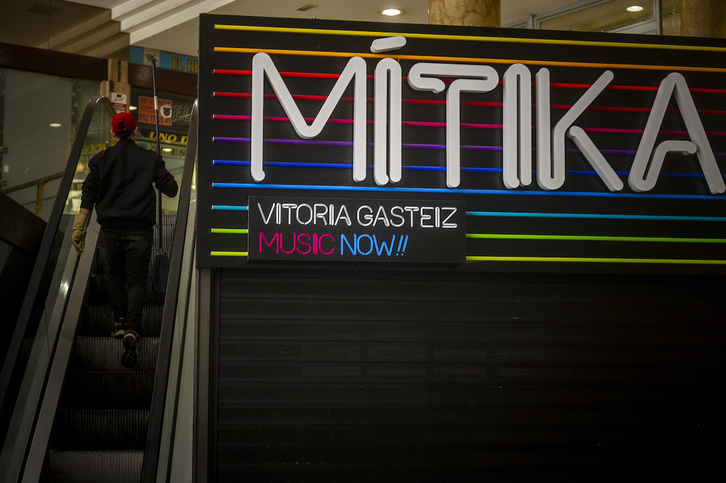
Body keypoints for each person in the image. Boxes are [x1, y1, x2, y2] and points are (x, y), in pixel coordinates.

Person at [72, 112, 178, 368]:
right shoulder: (150, 158)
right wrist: (156, 171)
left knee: (115, 275)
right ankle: (132, 327)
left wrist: (79, 226)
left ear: (113, 132)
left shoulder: (100, 159)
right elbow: (172, 189)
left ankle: (119, 323)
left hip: (110, 228)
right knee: (136, 280)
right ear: (135, 131)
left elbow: (88, 192)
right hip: (140, 229)